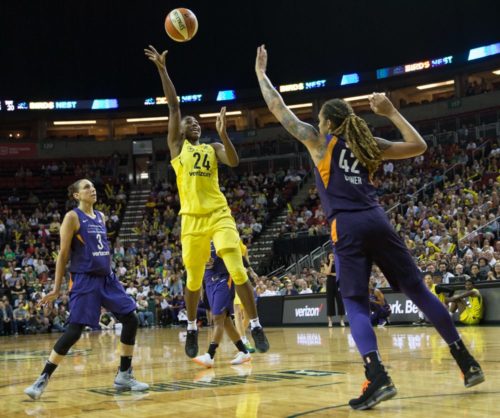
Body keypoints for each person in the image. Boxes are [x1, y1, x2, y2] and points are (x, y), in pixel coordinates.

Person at [255, 44, 484, 410]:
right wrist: (391, 111)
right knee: (418, 290)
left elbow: (277, 108)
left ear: (328, 123)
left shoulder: (319, 142)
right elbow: (419, 146)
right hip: (377, 219)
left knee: (355, 303)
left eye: (320, 119)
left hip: (346, 225)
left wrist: (261, 74)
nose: (318, 123)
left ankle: (377, 376)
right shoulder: (368, 145)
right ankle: (466, 361)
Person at [145, 45, 269, 358]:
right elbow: (174, 106)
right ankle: (190, 328)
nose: (194, 124)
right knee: (193, 278)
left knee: (237, 270)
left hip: (219, 214)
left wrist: (224, 134)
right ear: (179, 130)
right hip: (191, 219)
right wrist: (162, 69)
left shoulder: (212, 148)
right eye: (189, 123)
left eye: (197, 122)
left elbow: (234, 161)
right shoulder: (177, 148)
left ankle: (255, 325)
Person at [24, 179, 148, 400]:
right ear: (76, 195)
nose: (92, 189)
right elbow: (63, 255)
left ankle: (124, 374)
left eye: (93, 187)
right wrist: (56, 288)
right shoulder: (72, 217)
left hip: (107, 279)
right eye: (86, 187)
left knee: (131, 319)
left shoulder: (100, 216)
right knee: (74, 331)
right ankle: (42, 378)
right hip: (85, 280)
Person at [193, 243, 252, 368]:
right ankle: (244, 352)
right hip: (209, 282)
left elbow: (239, 256)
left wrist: (250, 270)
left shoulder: (221, 237)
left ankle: (210, 355)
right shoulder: (201, 240)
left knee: (218, 318)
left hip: (224, 279)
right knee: (226, 321)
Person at [322, 252, 345, 327]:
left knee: (340, 302)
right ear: (328, 257)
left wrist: (331, 274)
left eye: (333, 256)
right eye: (330, 256)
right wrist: (331, 263)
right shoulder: (325, 264)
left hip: (338, 283)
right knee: (330, 302)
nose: (332, 257)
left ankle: (342, 320)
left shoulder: (338, 264)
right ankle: (330, 321)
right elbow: (328, 272)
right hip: (330, 284)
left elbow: (339, 274)